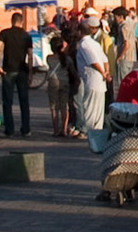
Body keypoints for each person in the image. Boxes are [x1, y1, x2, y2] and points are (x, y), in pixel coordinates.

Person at [74, 10, 111, 154]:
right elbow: (105, 59)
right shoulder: (94, 43)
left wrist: (103, 73)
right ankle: (97, 136)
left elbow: (94, 62)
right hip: (100, 80)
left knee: (90, 109)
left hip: (92, 79)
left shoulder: (84, 45)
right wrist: (106, 72)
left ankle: (90, 134)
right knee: (98, 110)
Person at [0, 11, 34, 138]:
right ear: (22, 21)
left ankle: (9, 129)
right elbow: (30, 55)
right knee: (24, 100)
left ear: (11, 21)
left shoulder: (4, 33)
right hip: (22, 70)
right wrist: (30, 72)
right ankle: (26, 129)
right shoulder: (26, 36)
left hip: (8, 69)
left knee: (7, 101)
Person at [43, 28, 74, 139]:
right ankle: (64, 129)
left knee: (54, 107)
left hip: (53, 82)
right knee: (64, 106)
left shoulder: (49, 58)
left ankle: (56, 130)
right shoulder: (67, 59)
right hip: (65, 82)